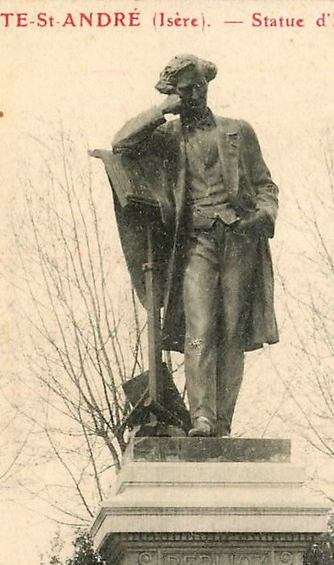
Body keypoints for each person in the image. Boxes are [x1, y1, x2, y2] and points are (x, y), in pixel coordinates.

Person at [112, 55, 279, 437]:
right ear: (176, 95)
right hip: (196, 242)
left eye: (198, 86)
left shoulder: (238, 131)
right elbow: (121, 143)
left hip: (240, 241)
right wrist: (161, 111)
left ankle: (222, 420)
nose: (195, 95)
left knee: (233, 333)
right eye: (185, 91)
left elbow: (265, 184)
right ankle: (201, 416)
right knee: (200, 328)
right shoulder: (168, 136)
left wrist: (263, 216)